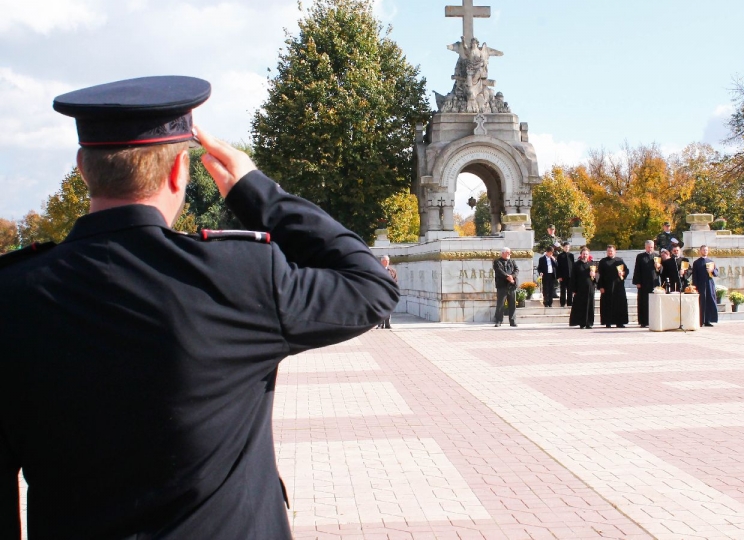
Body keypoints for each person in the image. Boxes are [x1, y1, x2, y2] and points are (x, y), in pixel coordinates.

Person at [0, 76, 399, 539]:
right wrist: (256, 192)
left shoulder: (12, 294)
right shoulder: (239, 277)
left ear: (83, 168)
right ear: (179, 172)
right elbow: (371, 284)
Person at [598, 245, 629, 328]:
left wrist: (623, 273)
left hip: (618, 287)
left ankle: (620, 322)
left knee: (620, 304)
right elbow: (600, 275)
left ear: (615, 251)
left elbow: (626, 270)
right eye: (608, 251)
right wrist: (601, 286)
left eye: (611, 251)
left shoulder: (620, 260)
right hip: (607, 287)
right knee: (607, 304)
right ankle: (608, 322)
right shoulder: (603, 262)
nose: (610, 252)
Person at [632, 240, 660, 328]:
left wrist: (658, 267)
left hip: (654, 282)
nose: (650, 249)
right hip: (643, 283)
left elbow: (660, 270)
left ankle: (654, 320)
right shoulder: (640, 256)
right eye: (648, 247)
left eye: (651, 247)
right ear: (645, 247)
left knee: (654, 302)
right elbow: (637, 269)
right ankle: (643, 321)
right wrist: (637, 282)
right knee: (643, 302)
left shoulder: (657, 256)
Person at [568, 246, 597, 329]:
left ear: (589, 255)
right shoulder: (576, 265)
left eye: (586, 254)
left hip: (590, 288)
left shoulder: (592, 264)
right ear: (581, 254)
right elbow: (573, 277)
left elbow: (597, 276)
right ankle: (582, 323)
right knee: (581, 306)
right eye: (584, 254)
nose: (585, 255)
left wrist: (594, 275)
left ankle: (589, 323)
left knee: (590, 306)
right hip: (580, 289)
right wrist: (573, 289)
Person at [692, 244, 719, 327]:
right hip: (700, 285)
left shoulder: (711, 262)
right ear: (700, 251)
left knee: (709, 301)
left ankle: (708, 320)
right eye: (703, 250)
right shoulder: (696, 262)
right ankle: (700, 321)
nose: (705, 251)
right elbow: (694, 276)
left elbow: (716, 273)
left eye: (706, 250)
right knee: (701, 302)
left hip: (709, 284)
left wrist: (712, 270)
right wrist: (695, 287)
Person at [493, 247, 519, 327]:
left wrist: (512, 276)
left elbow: (516, 270)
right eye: (507, 252)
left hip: (511, 285)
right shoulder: (497, 261)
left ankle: (512, 321)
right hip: (502, 286)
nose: (509, 254)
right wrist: (508, 277)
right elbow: (499, 271)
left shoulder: (512, 261)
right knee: (500, 304)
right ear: (503, 253)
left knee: (512, 304)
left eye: (509, 252)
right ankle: (498, 321)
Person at [377, 255, 399, 328]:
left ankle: (387, 324)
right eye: (385, 261)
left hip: (389, 293)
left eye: (388, 261)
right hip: (380, 292)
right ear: (381, 261)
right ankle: (380, 324)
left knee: (388, 308)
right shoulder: (377, 269)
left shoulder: (392, 271)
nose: (386, 262)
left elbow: (395, 281)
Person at [556, 241, 576, 307]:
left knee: (570, 290)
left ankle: (570, 303)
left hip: (570, 276)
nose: (567, 248)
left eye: (568, 247)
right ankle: (562, 303)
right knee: (563, 290)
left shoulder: (571, 255)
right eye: (565, 247)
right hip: (563, 276)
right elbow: (558, 267)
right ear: (563, 247)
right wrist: (559, 276)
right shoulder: (560, 256)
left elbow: (573, 266)